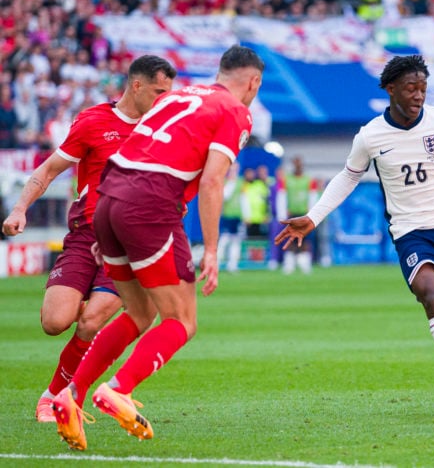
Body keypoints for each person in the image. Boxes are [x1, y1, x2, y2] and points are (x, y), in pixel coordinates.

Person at [50, 45, 264, 451]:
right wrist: (213, 250)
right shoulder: (236, 111)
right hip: (150, 204)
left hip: (109, 199)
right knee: (182, 320)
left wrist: (106, 224)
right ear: (253, 82)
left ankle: (70, 395)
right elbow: (212, 182)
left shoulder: (180, 94)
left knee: (139, 311)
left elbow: (132, 147)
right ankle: (117, 389)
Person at [275, 55, 434, 417]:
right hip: (411, 233)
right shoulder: (370, 136)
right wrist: (314, 218)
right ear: (390, 89)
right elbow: (348, 176)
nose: (418, 95)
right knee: (431, 295)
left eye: (423, 88)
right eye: (411, 88)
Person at [1, 55, 176, 423]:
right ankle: (80, 318)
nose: (164, 100)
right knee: (54, 322)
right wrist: (19, 209)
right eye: (159, 92)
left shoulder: (162, 130)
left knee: (93, 321)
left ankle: (54, 397)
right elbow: (49, 169)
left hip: (128, 246)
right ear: (137, 85)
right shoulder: (94, 121)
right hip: (84, 237)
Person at [278, 155, 318, 274]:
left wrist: (312, 214)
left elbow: (313, 197)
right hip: (291, 214)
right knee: (290, 238)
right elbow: (282, 196)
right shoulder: (286, 179)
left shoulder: (309, 180)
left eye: (299, 163)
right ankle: (289, 263)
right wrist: (282, 213)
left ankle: (305, 263)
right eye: (295, 163)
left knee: (305, 240)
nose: (297, 166)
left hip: (304, 214)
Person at [218, 161, 245, 273]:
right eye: (232, 169)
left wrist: (245, 215)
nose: (234, 171)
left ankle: (233, 264)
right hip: (227, 215)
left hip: (237, 215)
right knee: (224, 240)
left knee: (236, 240)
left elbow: (244, 199)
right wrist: (231, 182)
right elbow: (225, 196)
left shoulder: (240, 182)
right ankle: (217, 262)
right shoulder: (224, 182)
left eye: (236, 169)